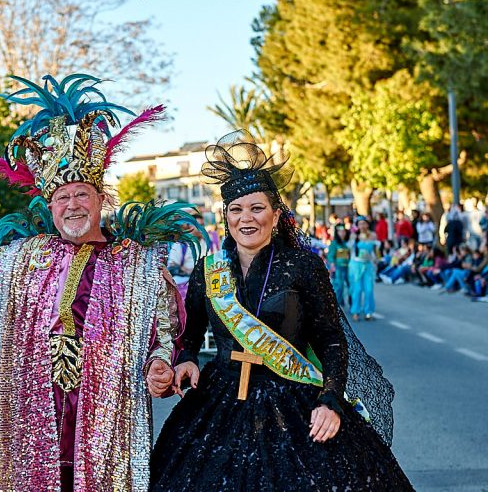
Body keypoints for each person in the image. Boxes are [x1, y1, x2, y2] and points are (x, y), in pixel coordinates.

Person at [0, 73, 203, 491]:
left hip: (106, 441)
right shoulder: (22, 258)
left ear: (102, 200)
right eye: (62, 197)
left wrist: (159, 365)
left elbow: (166, 334)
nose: (72, 204)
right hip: (27, 434)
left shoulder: (140, 265)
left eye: (82, 194)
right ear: (51, 205)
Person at [150, 131, 412, 491]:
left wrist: (330, 401)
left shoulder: (303, 266)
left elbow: (331, 341)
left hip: (292, 398)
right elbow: (191, 332)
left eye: (257, 208)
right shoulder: (207, 269)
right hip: (220, 397)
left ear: (276, 215)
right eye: (236, 209)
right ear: (225, 216)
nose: (247, 218)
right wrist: (189, 358)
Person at [348, 216, 379, 321]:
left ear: (367, 224)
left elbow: (375, 251)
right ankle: (355, 311)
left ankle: (368, 312)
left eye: (364, 223)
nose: (362, 226)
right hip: (356, 265)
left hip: (368, 265)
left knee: (369, 289)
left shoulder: (373, 235)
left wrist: (376, 260)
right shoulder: (354, 236)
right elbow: (350, 250)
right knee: (357, 289)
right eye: (360, 224)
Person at [327, 225, 350, 306]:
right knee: (339, 286)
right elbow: (330, 256)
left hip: (348, 267)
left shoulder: (348, 242)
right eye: (340, 231)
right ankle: (338, 304)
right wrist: (332, 265)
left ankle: (351, 303)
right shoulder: (334, 243)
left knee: (351, 286)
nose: (342, 233)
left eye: (343, 231)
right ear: (337, 232)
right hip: (338, 267)